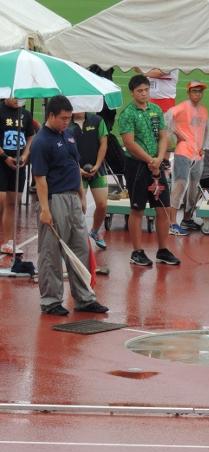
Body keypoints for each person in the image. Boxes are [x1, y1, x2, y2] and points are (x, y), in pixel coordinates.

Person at [31, 95, 108, 316]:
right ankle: (51, 300)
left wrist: (81, 194)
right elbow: (40, 179)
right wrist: (45, 210)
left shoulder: (69, 135)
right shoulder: (41, 141)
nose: (67, 122)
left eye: (69, 118)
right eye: (63, 118)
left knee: (81, 248)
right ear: (51, 115)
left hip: (73, 198)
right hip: (54, 200)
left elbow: (74, 164)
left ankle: (84, 298)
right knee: (51, 252)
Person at [118, 75, 180, 267]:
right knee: (137, 209)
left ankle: (163, 250)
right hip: (137, 166)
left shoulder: (156, 110)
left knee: (163, 207)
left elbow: (163, 136)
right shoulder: (127, 114)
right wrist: (149, 160)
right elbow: (129, 143)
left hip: (156, 164)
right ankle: (137, 252)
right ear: (132, 93)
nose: (144, 94)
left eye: (146, 90)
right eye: (139, 91)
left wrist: (159, 158)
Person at [165, 81, 209, 236]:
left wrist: (203, 147)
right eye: (195, 91)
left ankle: (187, 218)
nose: (198, 94)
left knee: (193, 188)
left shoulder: (204, 111)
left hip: (197, 154)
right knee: (179, 186)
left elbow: (206, 129)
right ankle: (172, 223)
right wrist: (176, 135)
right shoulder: (182, 107)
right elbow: (166, 118)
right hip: (183, 152)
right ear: (189, 93)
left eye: (200, 91)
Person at [69, 111, 109, 248]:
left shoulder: (97, 120)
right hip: (76, 170)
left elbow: (103, 143)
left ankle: (95, 231)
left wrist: (97, 165)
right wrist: (77, 168)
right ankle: (77, 238)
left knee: (102, 204)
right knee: (79, 207)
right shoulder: (66, 122)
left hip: (97, 169)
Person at [0, 98, 34, 254]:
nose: (17, 100)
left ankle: (8, 242)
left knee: (13, 203)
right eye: (14, 96)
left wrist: (25, 155)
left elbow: (30, 136)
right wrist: (5, 157)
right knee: (1, 201)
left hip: (18, 164)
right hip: (2, 162)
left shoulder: (25, 114)